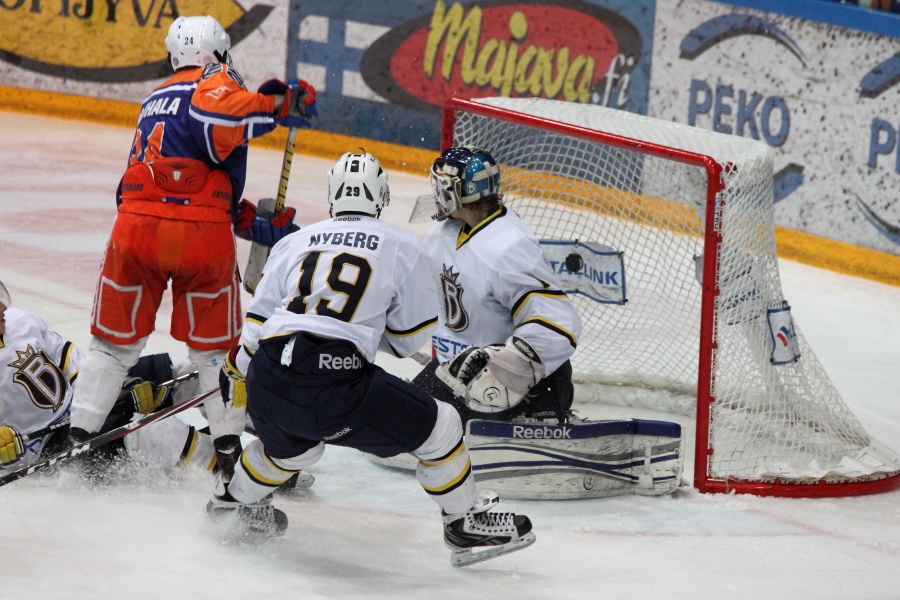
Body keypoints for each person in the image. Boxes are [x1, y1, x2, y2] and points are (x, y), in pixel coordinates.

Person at [205, 152, 535, 566]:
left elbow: (256, 324)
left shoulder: (293, 241)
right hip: (334, 384)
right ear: (381, 196)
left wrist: (237, 369)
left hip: (269, 374)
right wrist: (362, 329)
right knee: (444, 425)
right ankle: (463, 522)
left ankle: (230, 500)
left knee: (294, 452)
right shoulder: (400, 246)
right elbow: (404, 341)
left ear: (332, 195)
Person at [67, 15, 319, 478]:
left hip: (134, 232)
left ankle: (75, 446)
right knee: (216, 353)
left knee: (110, 348)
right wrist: (277, 104)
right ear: (218, 52)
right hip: (200, 243)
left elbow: (169, 181)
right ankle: (227, 457)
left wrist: (248, 221)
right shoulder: (214, 79)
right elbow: (218, 113)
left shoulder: (153, 99)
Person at [409, 146, 583, 426]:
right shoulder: (443, 231)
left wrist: (510, 366)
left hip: (504, 384)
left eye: (443, 185)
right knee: (398, 425)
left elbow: (558, 321)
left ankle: (544, 410)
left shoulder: (508, 246)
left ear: (462, 191)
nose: (437, 192)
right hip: (453, 371)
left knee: (417, 433)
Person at [0, 280, 215, 477]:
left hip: (81, 401)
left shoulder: (21, 321)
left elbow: (72, 366)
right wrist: (6, 457)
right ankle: (228, 482)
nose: (3, 307)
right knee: (157, 433)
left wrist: (116, 389)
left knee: (183, 371)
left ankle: (240, 411)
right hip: (53, 447)